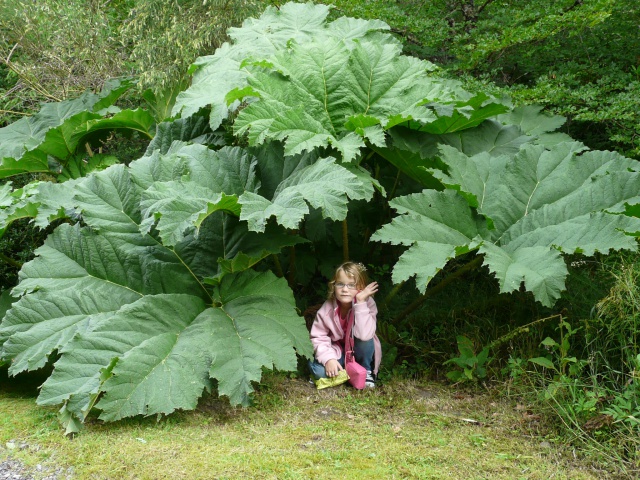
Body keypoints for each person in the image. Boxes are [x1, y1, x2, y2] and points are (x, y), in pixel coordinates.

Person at [308, 261, 382, 388]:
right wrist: (328, 359)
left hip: (358, 350)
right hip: (336, 351)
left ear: (361, 287)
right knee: (319, 372)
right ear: (333, 286)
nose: (345, 290)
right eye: (340, 284)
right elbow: (318, 337)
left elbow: (364, 335)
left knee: (365, 338)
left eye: (351, 285)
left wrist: (360, 303)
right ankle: (344, 369)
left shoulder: (368, 304)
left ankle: (366, 370)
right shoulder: (327, 308)